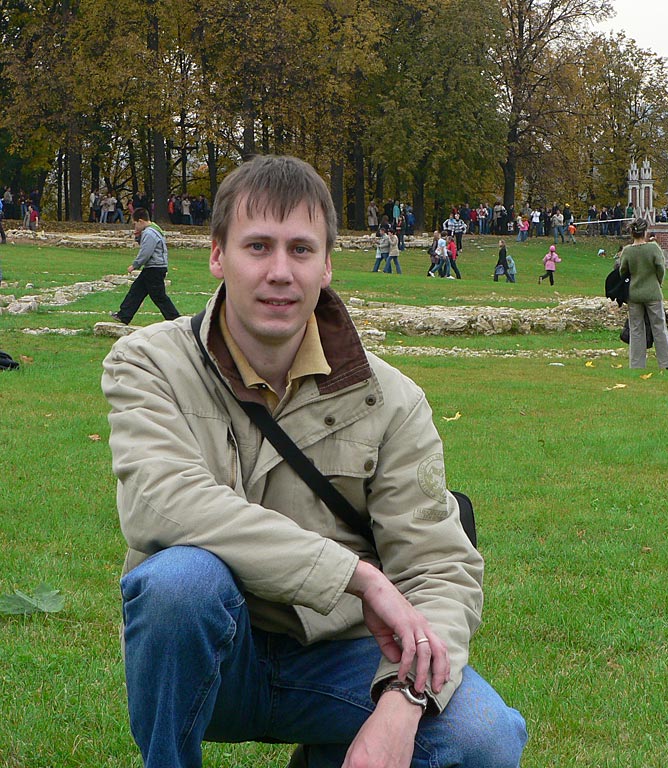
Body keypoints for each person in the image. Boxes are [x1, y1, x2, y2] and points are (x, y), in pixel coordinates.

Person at [101, 155, 527, 768]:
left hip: (341, 656)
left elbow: (438, 568)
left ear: (327, 265)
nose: (280, 272)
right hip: (214, 657)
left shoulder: (392, 399)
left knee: (486, 739)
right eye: (258, 246)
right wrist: (357, 576)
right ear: (217, 255)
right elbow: (160, 502)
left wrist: (403, 700)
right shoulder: (149, 364)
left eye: (301, 249)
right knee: (180, 584)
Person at [618, 218, 668, 371]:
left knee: (636, 329)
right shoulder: (653, 248)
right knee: (659, 327)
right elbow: (660, 268)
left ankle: (636, 365)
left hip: (634, 294)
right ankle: (667, 362)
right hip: (652, 292)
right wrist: (658, 282)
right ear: (645, 232)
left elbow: (623, 271)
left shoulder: (627, 251)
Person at [110, 208, 181, 325]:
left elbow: (146, 252)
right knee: (136, 291)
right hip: (153, 268)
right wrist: (138, 236)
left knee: (158, 296)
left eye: (135, 224)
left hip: (155, 268)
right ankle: (124, 315)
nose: (134, 227)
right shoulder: (154, 229)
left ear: (141, 221)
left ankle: (175, 319)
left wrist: (135, 265)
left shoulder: (149, 233)